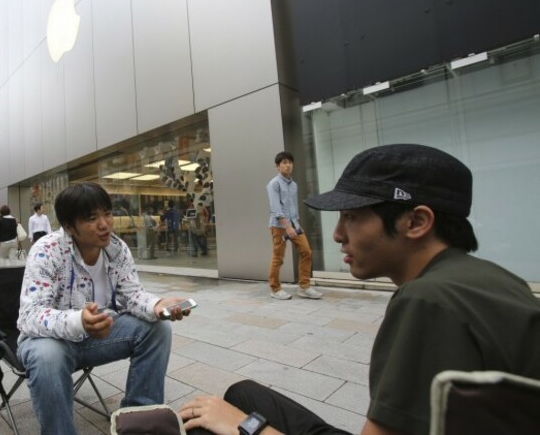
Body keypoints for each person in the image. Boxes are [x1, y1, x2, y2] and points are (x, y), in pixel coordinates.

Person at [181, 144, 540, 435]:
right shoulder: (497, 279)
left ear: (415, 221)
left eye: (351, 217)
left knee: (209, 425)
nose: (337, 234)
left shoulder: (427, 301)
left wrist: (245, 428)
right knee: (242, 392)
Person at [16, 182, 193, 435]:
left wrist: (157, 304)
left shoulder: (116, 249)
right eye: (91, 218)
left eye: (107, 213)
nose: (104, 224)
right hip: (50, 342)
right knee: (48, 356)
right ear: (69, 227)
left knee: (157, 329)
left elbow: (132, 295)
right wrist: (80, 320)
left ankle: (139, 423)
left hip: (96, 339)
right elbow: (30, 315)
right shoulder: (47, 251)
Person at [266, 151, 321, 300]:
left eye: (290, 162)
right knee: (278, 258)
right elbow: (275, 208)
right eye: (284, 163)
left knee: (306, 252)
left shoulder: (294, 185)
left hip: (294, 224)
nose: (288, 165)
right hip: (279, 226)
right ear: (277, 166)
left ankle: (304, 287)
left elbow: (293, 207)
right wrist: (287, 226)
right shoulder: (274, 184)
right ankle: (275, 289)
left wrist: (296, 224)